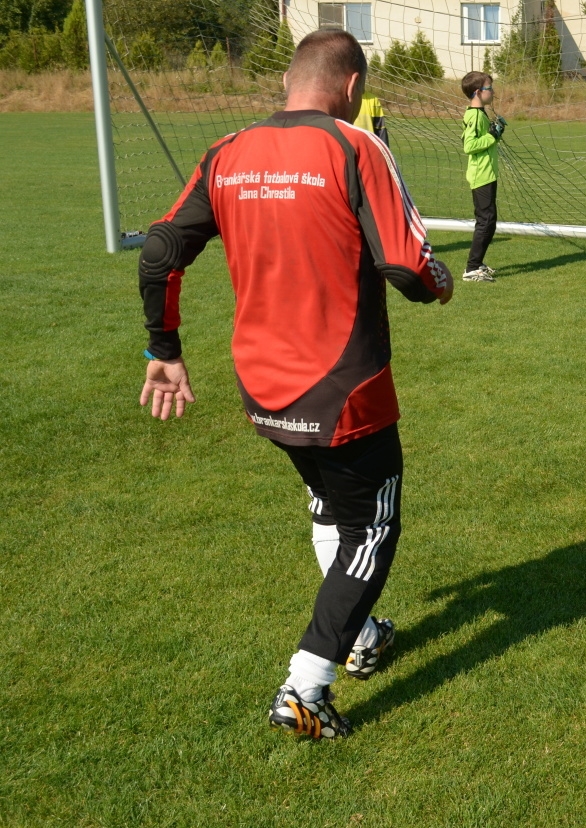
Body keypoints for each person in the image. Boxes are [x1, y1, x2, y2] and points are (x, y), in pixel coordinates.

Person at [137, 29, 453, 740]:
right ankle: (305, 688)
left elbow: (160, 249)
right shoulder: (355, 145)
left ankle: (363, 635)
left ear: (287, 81)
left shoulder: (228, 151)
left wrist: (165, 346)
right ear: (351, 88)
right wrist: (441, 283)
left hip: (263, 388)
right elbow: (408, 267)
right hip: (345, 389)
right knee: (372, 529)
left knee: (326, 501)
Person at [461, 70, 505, 283]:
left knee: (489, 221)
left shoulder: (481, 114)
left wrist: (495, 133)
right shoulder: (475, 115)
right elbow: (469, 146)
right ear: (478, 92)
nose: (493, 92)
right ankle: (471, 268)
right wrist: (491, 136)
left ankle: (477, 264)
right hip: (481, 176)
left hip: (487, 173)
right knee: (485, 221)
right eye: (490, 88)